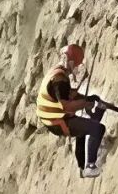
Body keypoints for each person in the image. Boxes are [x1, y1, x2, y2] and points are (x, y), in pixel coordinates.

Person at [35, 44, 106, 178]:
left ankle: (82, 167)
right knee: (98, 129)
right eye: (76, 65)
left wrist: (86, 99)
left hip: (51, 118)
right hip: (57, 120)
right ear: (71, 61)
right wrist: (85, 103)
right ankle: (90, 167)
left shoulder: (56, 72)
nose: (77, 68)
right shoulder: (60, 79)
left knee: (82, 129)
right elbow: (66, 106)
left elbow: (68, 94)